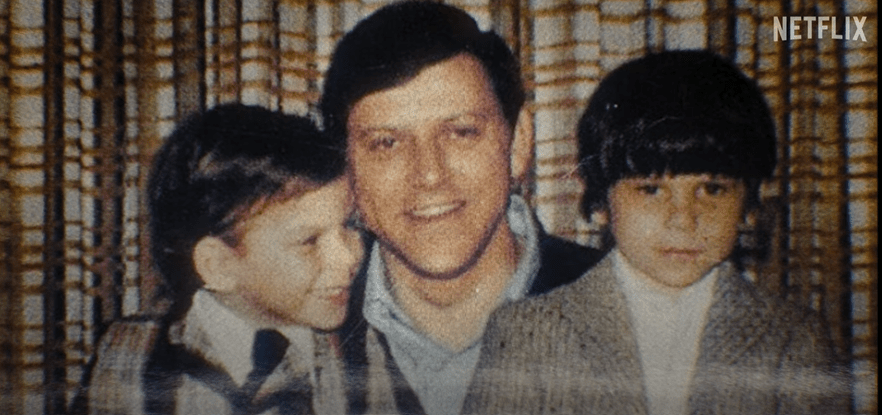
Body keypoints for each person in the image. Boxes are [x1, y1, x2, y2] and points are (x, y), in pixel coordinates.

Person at [465, 50, 852, 414]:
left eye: (712, 189)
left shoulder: (795, 339)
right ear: (601, 203)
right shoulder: (527, 334)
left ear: (749, 206)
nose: (683, 219)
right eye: (651, 190)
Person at [319, 2, 604, 414]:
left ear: (519, 142)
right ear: (345, 167)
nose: (430, 174)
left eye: (461, 132)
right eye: (387, 143)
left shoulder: (626, 309)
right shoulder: (298, 323)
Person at [70, 103, 364, 415]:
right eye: (309, 241)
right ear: (220, 266)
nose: (347, 256)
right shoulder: (129, 351)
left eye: (349, 225)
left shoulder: (364, 357)